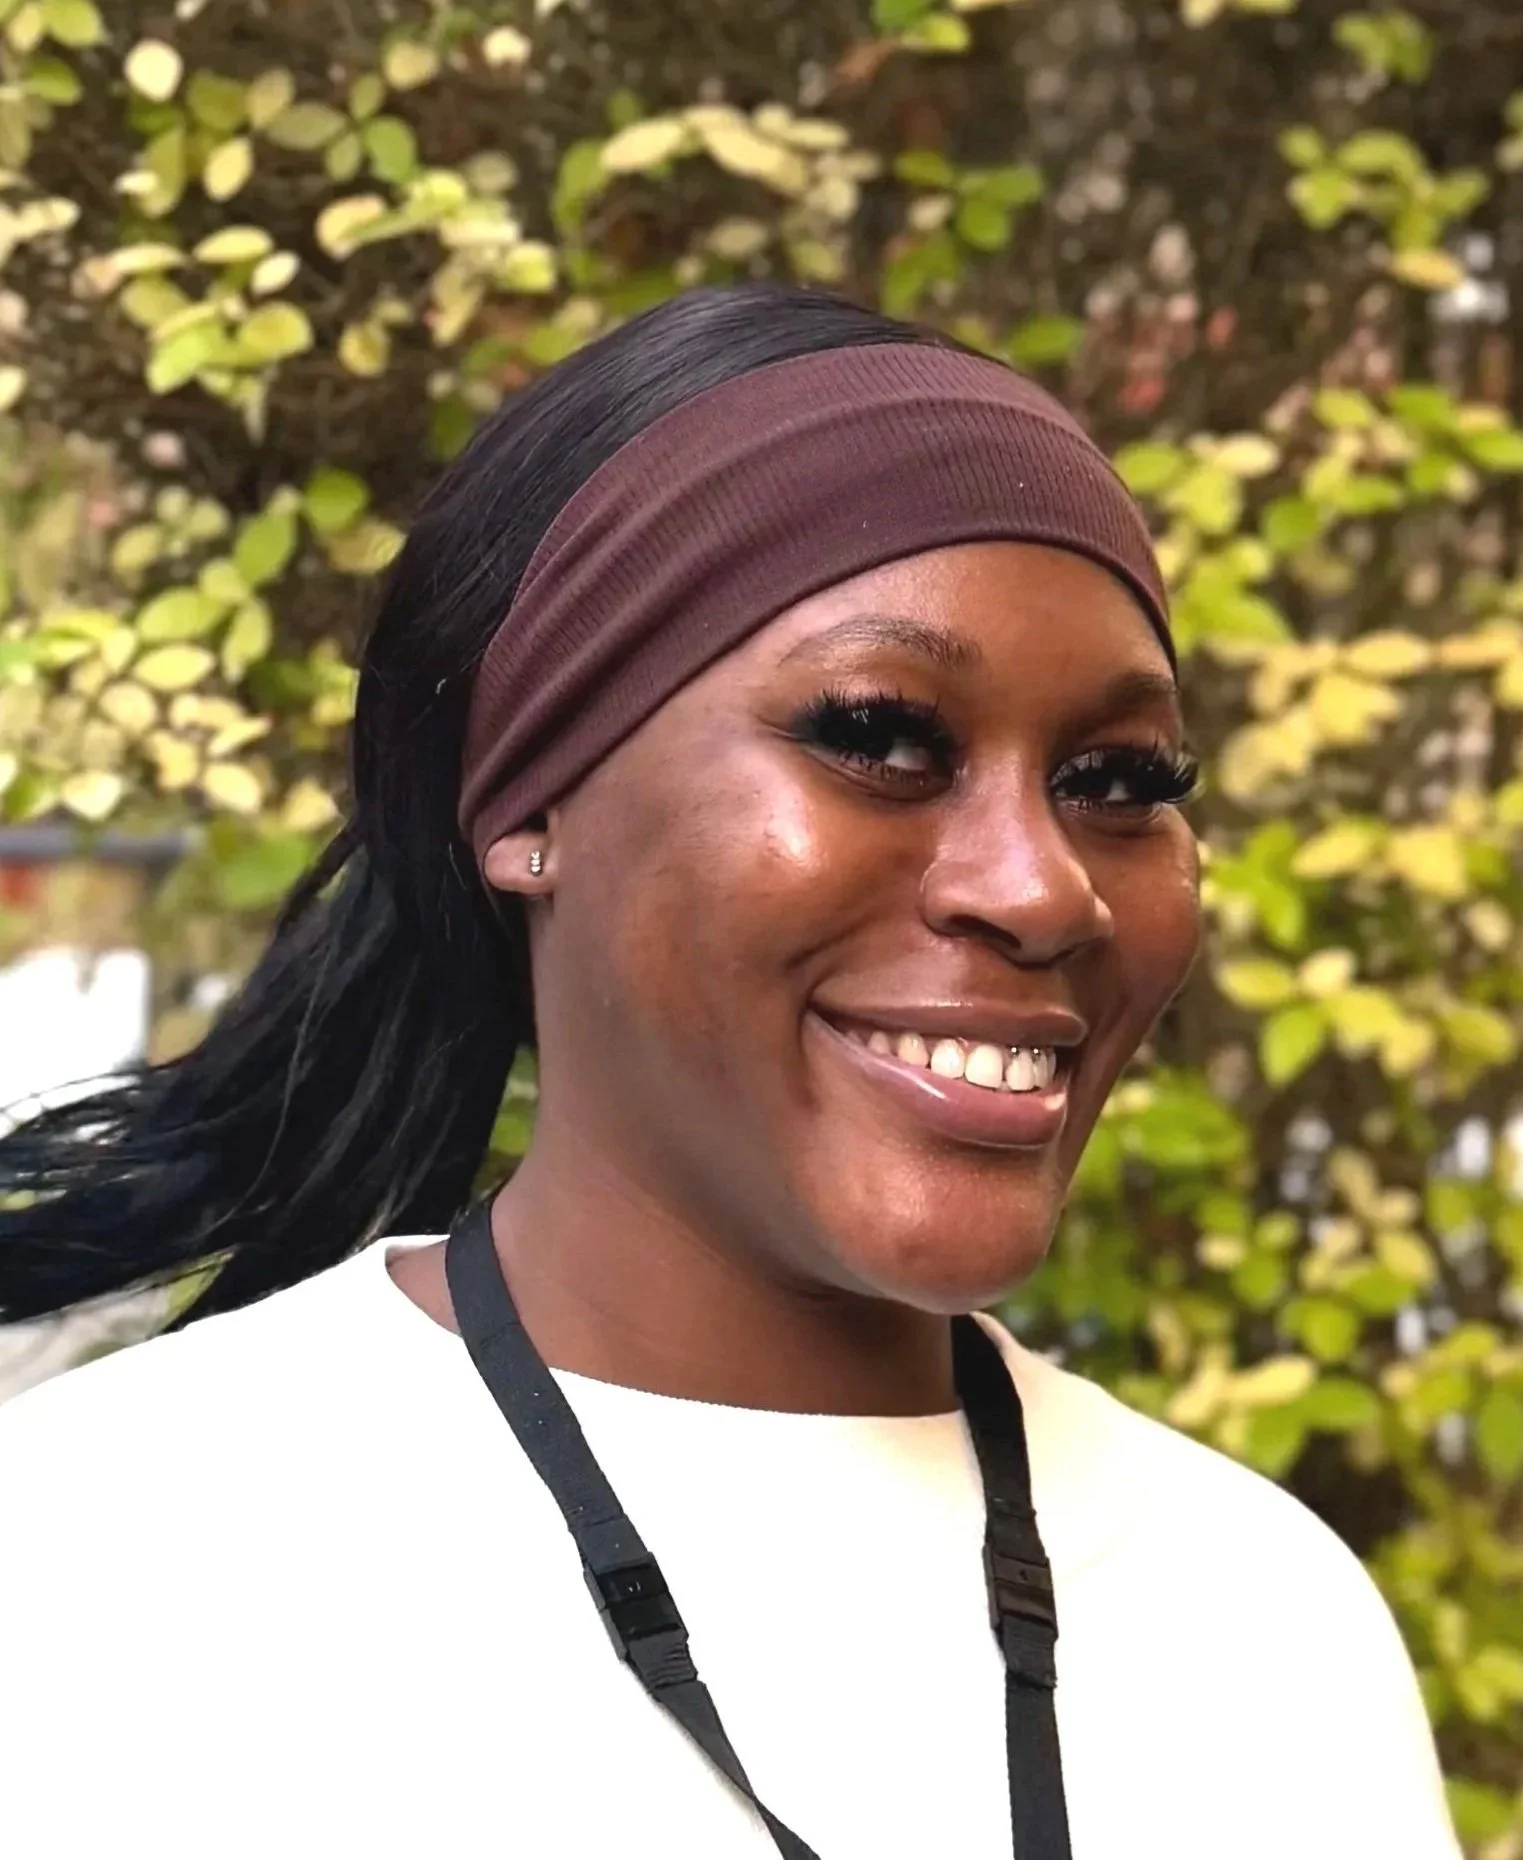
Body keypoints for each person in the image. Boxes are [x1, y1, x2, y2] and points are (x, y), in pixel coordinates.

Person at [0, 285, 1459, 1860]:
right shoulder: (104, 1571)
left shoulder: (1269, 1628)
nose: (1042, 889)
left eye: (1118, 779)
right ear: (528, 803)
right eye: (880, 738)